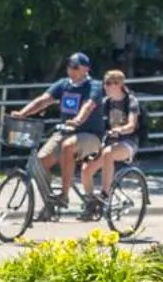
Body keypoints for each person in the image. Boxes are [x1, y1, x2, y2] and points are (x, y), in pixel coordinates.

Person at [15, 52, 105, 209]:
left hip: (90, 135)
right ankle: (49, 203)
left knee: (67, 146)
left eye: (75, 67)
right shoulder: (64, 84)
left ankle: (64, 195)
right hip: (65, 132)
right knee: (40, 162)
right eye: (69, 66)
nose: (71, 70)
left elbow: (89, 105)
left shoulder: (94, 86)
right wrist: (22, 113)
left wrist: (78, 120)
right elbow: (44, 100)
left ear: (86, 69)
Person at [80, 69, 143, 204]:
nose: (105, 86)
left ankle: (105, 194)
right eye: (105, 83)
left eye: (108, 83)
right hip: (109, 142)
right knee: (86, 168)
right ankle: (91, 203)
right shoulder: (105, 103)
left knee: (108, 153)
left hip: (128, 142)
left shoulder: (131, 101)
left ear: (118, 84)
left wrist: (119, 130)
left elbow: (132, 125)